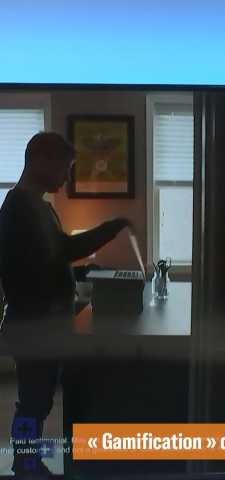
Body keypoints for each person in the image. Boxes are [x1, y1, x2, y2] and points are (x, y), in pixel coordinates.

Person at [0, 131, 133, 476]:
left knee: (38, 400)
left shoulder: (40, 207)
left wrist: (83, 271)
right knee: (33, 402)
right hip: (33, 327)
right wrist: (111, 227)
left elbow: (48, 259)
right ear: (40, 160)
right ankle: (24, 464)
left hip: (44, 324)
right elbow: (62, 251)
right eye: (64, 167)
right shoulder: (18, 208)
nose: (65, 177)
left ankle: (25, 461)